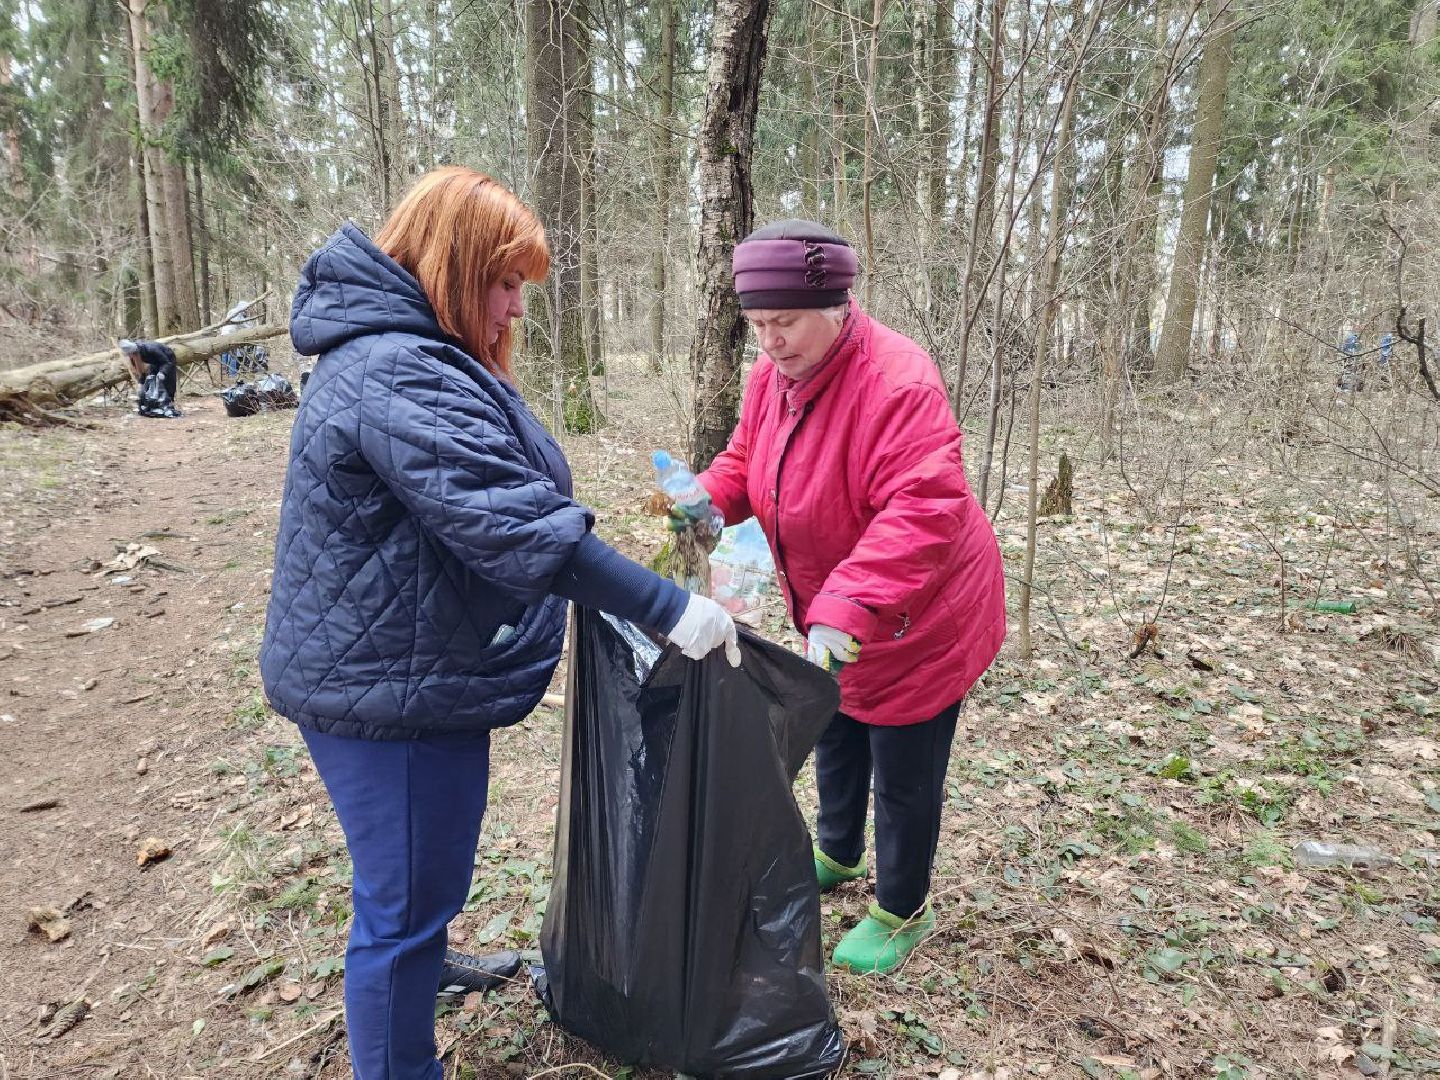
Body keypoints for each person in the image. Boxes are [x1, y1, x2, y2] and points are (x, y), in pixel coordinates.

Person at [259, 167, 739, 1080]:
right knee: (397, 912)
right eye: (505, 282)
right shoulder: (395, 367)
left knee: (415, 884)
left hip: (400, 662)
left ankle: (428, 956)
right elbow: (524, 530)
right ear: (452, 265)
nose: (517, 307)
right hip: (386, 693)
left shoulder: (405, 352)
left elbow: (499, 497)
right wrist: (673, 607)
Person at [671, 220, 1006, 975]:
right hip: (838, 609)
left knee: (903, 763)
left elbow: (922, 508)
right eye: (757, 325)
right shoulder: (773, 380)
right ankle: (839, 852)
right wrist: (709, 499)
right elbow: (749, 457)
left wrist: (847, 602)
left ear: (835, 304)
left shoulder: (898, 383)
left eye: (783, 322)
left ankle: (901, 908)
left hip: (923, 616)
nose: (770, 342)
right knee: (836, 727)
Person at [118, 337, 180, 417]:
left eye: (131, 355)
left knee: (167, 381)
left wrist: (162, 372)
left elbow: (166, 362)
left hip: (168, 358)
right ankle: (155, 405)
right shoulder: (133, 356)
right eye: (129, 355)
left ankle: (168, 404)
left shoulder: (151, 349)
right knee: (151, 380)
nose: (130, 356)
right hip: (154, 362)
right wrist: (141, 383)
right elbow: (141, 371)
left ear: (135, 352)